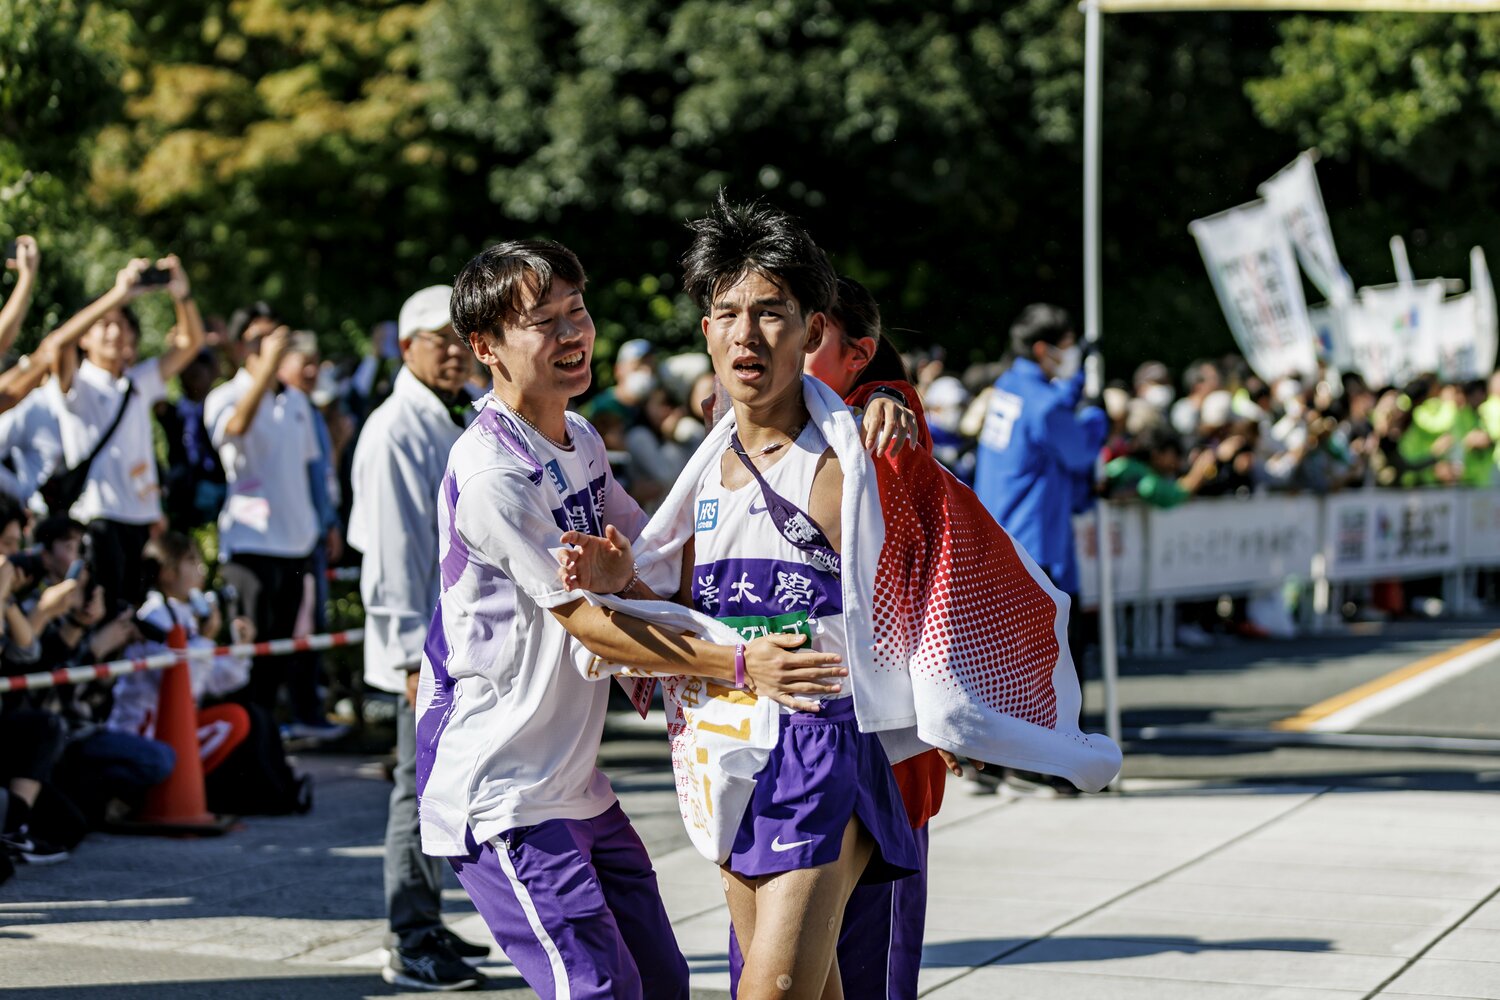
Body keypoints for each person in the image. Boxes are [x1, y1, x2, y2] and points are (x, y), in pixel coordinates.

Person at [424, 239, 846, 1000]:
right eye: (542, 322)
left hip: (575, 779)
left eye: (576, 311)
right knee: (600, 992)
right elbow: (590, 626)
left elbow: (657, 559)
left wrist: (869, 412)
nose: (571, 334)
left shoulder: (581, 439)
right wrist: (745, 665)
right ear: (484, 347)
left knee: (662, 983)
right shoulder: (491, 473)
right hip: (503, 788)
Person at [348, 284, 490, 991]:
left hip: (455, 638)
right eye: (442, 340)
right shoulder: (393, 430)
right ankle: (408, 936)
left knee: (443, 786)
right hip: (423, 645)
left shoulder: (453, 413)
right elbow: (391, 553)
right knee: (417, 787)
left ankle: (427, 921)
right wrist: (409, 658)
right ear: (407, 347)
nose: (458, 354)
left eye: (464, 341)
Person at [45, 256, 206, 608]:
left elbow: (190, 343)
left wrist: (182, 293)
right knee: (108, 615)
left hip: (144, 520)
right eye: (104, 325)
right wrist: (118, 295)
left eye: (123, 325)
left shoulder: (138, 381)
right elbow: (57, 345)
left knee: (138, 620)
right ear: (85, 338)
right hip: (99, 519)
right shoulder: (79, 383)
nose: (116, 333)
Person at [205, 315, 332, 738]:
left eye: (277, 338)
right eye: (259, 339)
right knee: (249, 659)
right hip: (250, 547)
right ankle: (244, 738)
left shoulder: (297, 401)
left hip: (296, 544)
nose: (272, 346)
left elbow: (310, 468)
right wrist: (266, 369)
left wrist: (323, 521)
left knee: (281, 654)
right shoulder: (225, 396)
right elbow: (235, 429)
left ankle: (269, 739)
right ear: (241, 347)